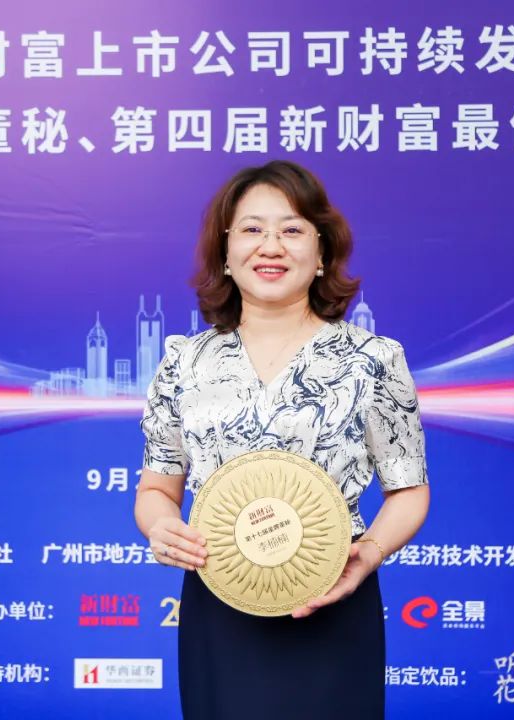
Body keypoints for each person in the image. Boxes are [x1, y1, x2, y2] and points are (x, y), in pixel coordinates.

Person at [134, 160, 430, 720]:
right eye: (252, 229)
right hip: (220, 601)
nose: (270, 246)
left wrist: (367, 556)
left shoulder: (373, 359)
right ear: (226, 252)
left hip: (333, 594)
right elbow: (156, 489)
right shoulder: (184, 361)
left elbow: (409, 489)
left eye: (291, 229)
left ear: (321, 253)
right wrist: (161, 528)